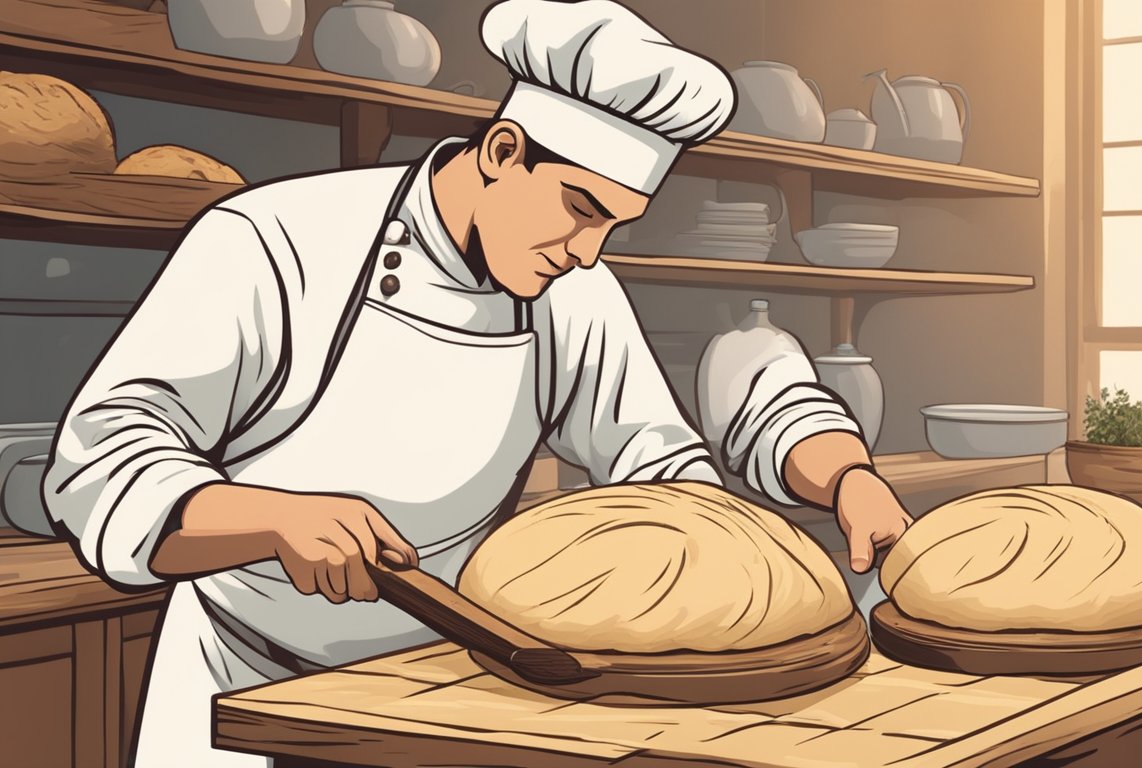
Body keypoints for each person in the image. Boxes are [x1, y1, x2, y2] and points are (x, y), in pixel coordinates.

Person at [42, 1, 914, 764]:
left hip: (446, 681)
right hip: (242, 686)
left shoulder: (572, 292)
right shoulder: (274, 242)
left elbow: (654, 467)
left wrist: (828, 485)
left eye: (615, 225)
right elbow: (97, 469)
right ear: (504, 151)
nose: (587, 251)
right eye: (581, 208)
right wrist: (273, 517)